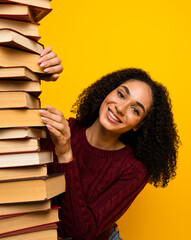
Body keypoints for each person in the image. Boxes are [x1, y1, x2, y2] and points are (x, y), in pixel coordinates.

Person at [38, 47, 180, 240]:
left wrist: (65, 154)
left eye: (135, 110)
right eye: (121, 95)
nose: (120, 108)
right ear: (107, 92)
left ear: (139, 125)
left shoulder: (134, 170)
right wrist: (38, 70)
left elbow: (80, 234)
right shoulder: (63, 129)